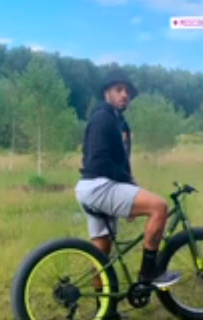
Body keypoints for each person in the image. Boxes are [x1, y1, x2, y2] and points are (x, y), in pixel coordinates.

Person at [75, 69, 180, 288]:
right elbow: (98, 160)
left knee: (101, 251)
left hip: (92, 186)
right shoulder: (103, 118)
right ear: (107, 93)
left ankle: (102, 311)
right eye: (119, 90)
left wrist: (130, 189)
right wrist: (129, 185)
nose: (125, 95)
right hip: (99, 186)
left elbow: (110, 160)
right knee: (159, 207)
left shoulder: (117, 122)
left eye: (128, 92)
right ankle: (149, 273)